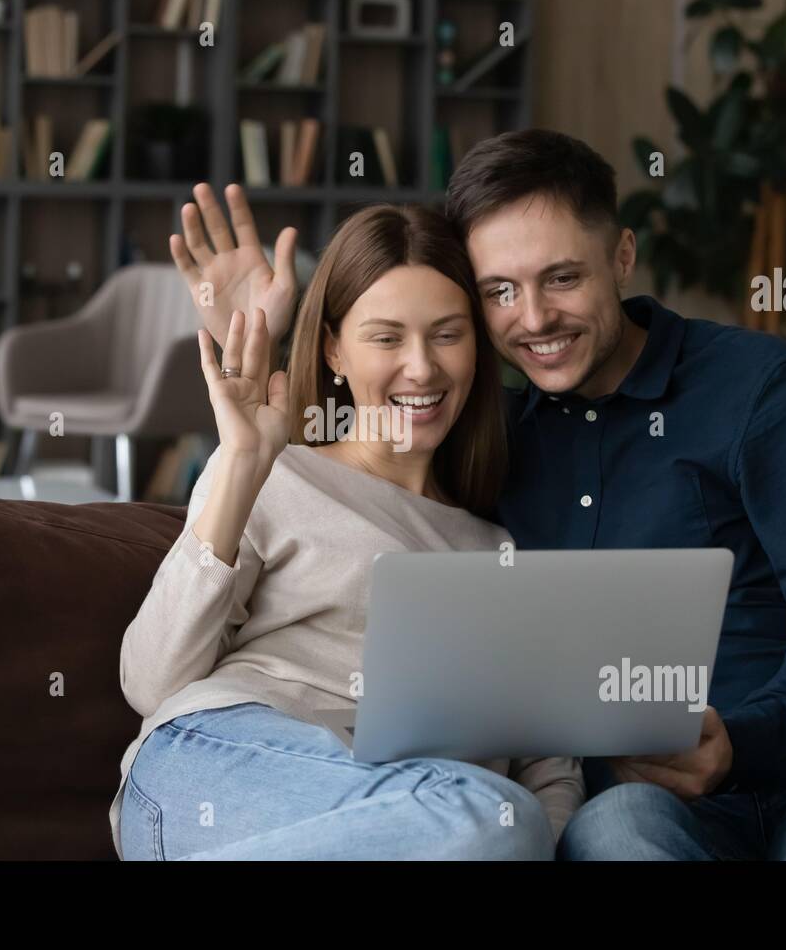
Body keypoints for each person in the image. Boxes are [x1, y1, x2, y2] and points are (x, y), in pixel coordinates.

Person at [175, 128, 786, 861]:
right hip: (649, 796)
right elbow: (372, 442)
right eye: (499, 292)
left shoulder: (759, 389)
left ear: (623, 256)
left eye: (562, 278)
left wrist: (742, 740)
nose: (535, 318)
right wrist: (253, 337)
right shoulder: (493, 443)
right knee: (612, 838)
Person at [110, 203, 582, 860]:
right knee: (492, 816)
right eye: (386, 338)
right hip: (213, 769)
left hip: (412, 819)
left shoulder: (495, 550)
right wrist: (243, 462)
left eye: (447, 334)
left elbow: (548, 772)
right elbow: (151, 681)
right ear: (334, 348)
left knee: (499, 820)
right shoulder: (275, 470)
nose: (421, 369)